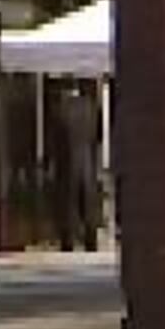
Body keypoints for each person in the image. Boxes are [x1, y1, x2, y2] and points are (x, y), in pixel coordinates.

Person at [49, 78, 106, 251]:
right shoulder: (90, 107)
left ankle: (68, 241)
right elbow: (98, 136)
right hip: (87, 159)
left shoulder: (60, 109)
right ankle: (91, 240)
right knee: (88, 201)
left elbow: (55, 140)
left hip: (67, 161)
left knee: (68, 202)